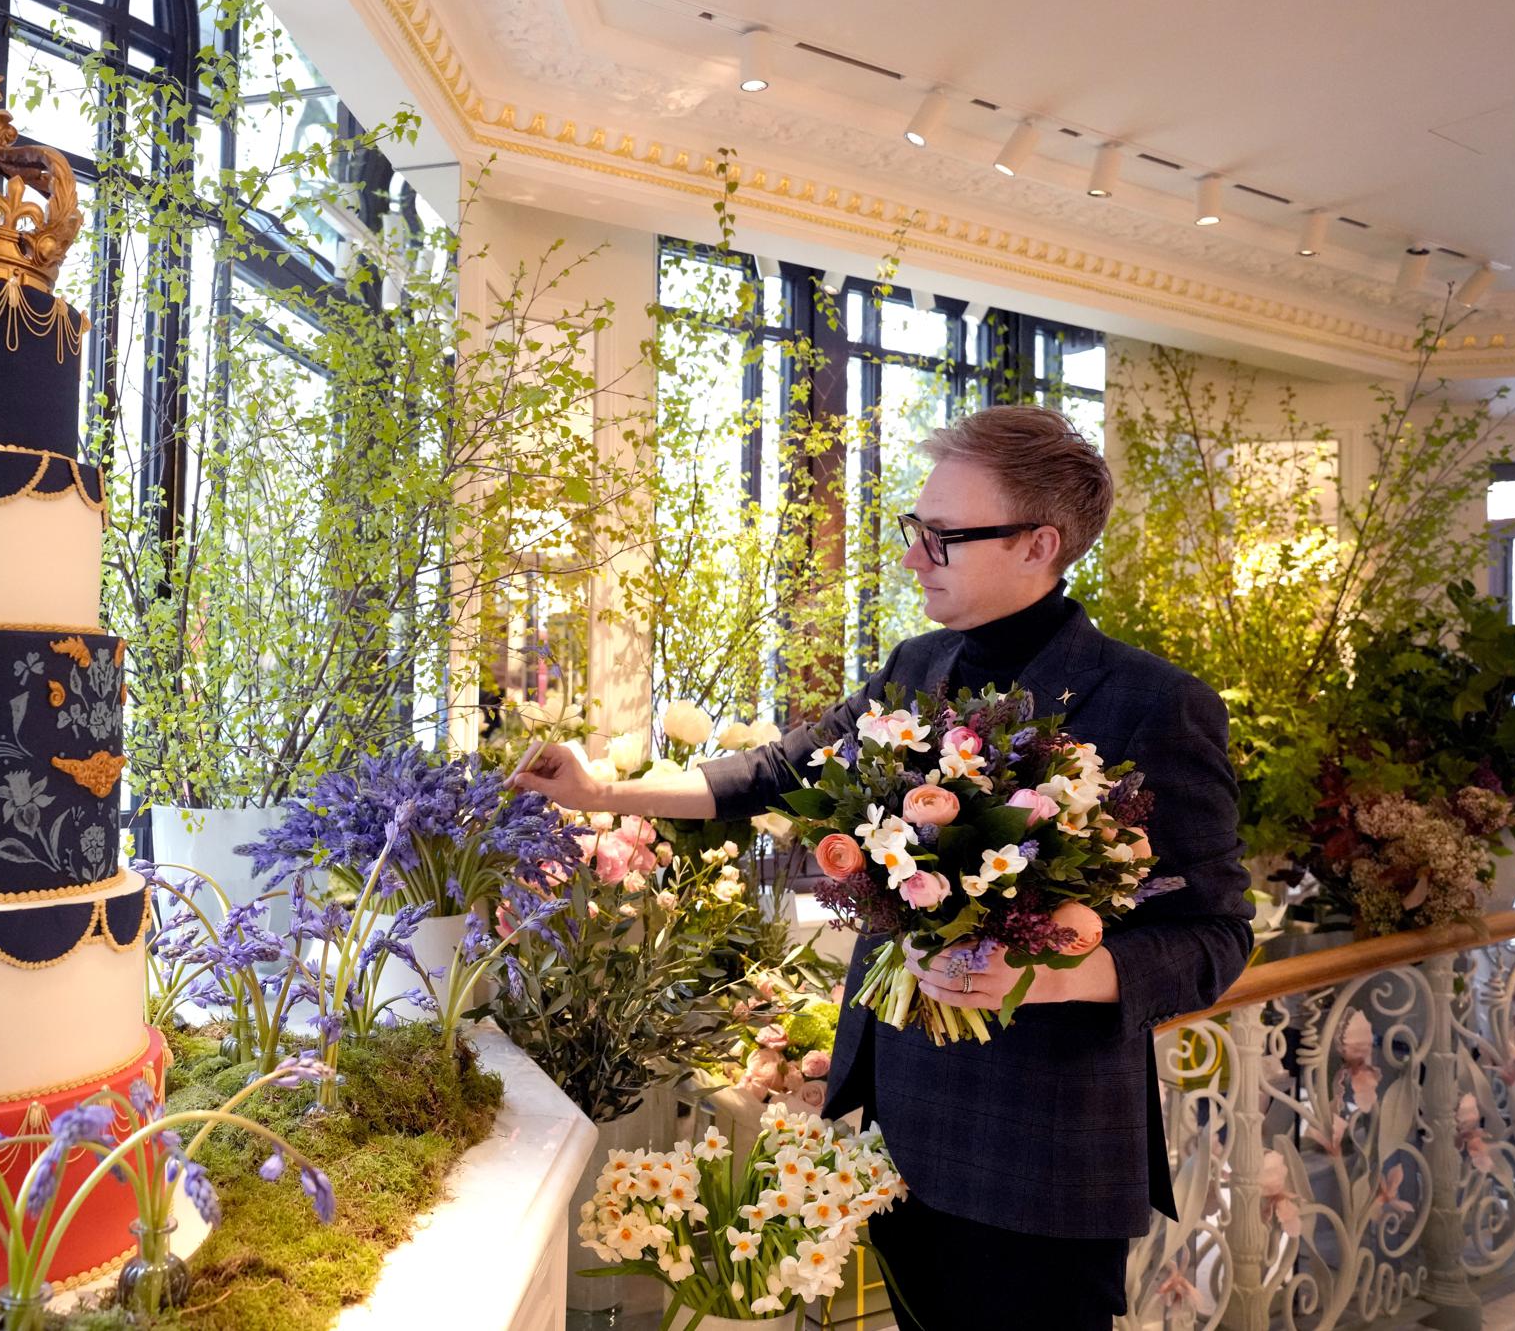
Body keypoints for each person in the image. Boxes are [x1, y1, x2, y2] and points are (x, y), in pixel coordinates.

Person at [512, 405, 1253, 1330]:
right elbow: (782, 769)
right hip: (903, 1121)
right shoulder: (920, 663)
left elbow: (1218, 934)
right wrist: (601, 794)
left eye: (941, 538)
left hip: (1041, 1153)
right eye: (917, 531)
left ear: (1040, 544)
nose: (913, 558)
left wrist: (1057, 971)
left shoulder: (1154, 702)